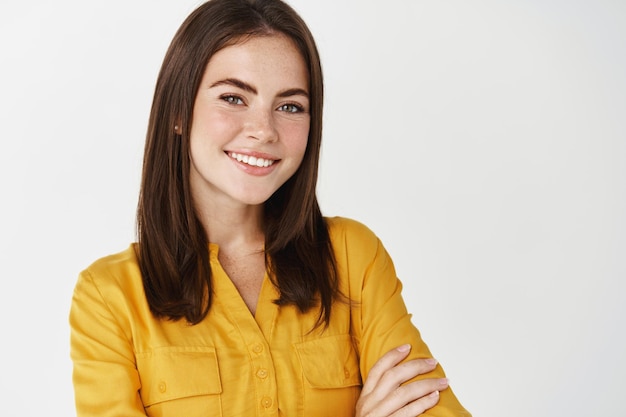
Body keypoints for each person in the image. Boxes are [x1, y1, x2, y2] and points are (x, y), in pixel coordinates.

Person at [69, 0, 471, 416]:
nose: (263, 130)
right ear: (178, 111)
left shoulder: (354, 258)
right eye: (233, 97)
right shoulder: (109, 297)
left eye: (290, 106)